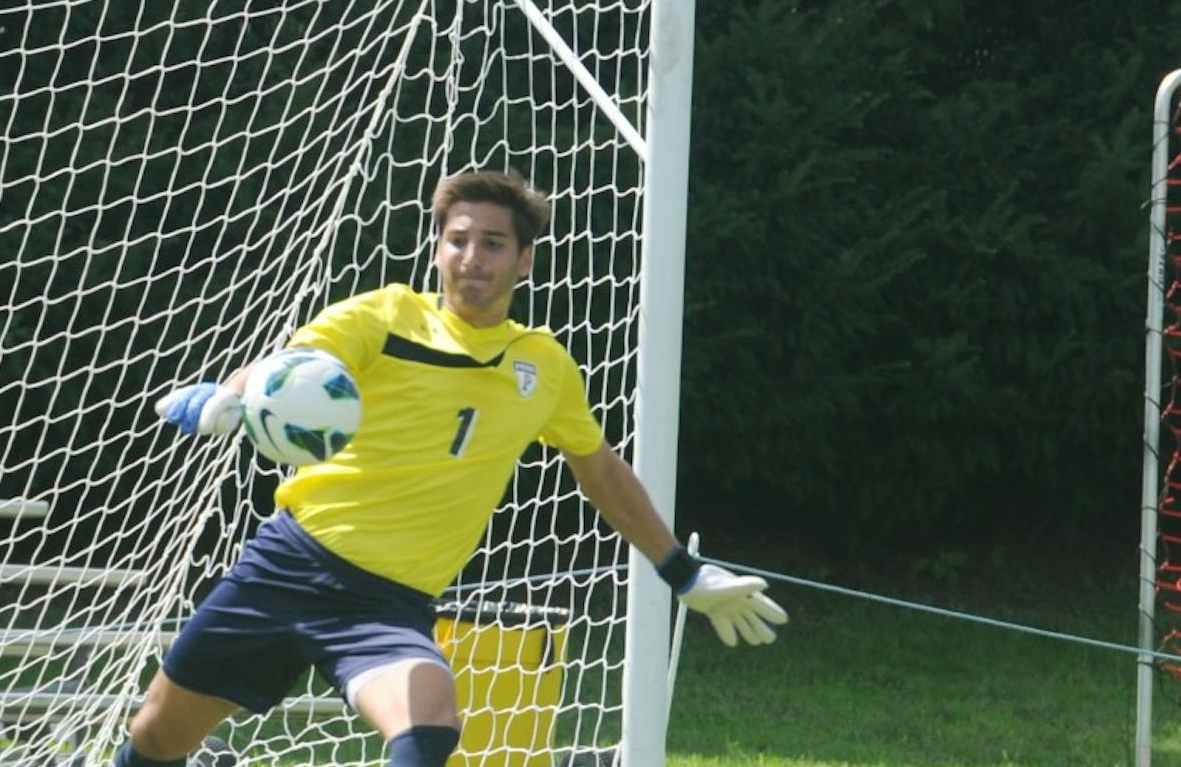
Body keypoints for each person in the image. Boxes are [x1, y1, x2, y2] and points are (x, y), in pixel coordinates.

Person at [119, 170, 787, 767]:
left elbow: (600, 469)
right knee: (156, 737)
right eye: (458, 240)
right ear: (437, 249)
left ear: (524, 261)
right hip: (286, 566)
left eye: (493, 243)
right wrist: (229, 397)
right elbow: (286, 372)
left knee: (430, 722)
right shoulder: (384, 316)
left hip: (385, 605)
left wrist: (681, 569)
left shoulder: (544, 367)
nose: (472, 258)